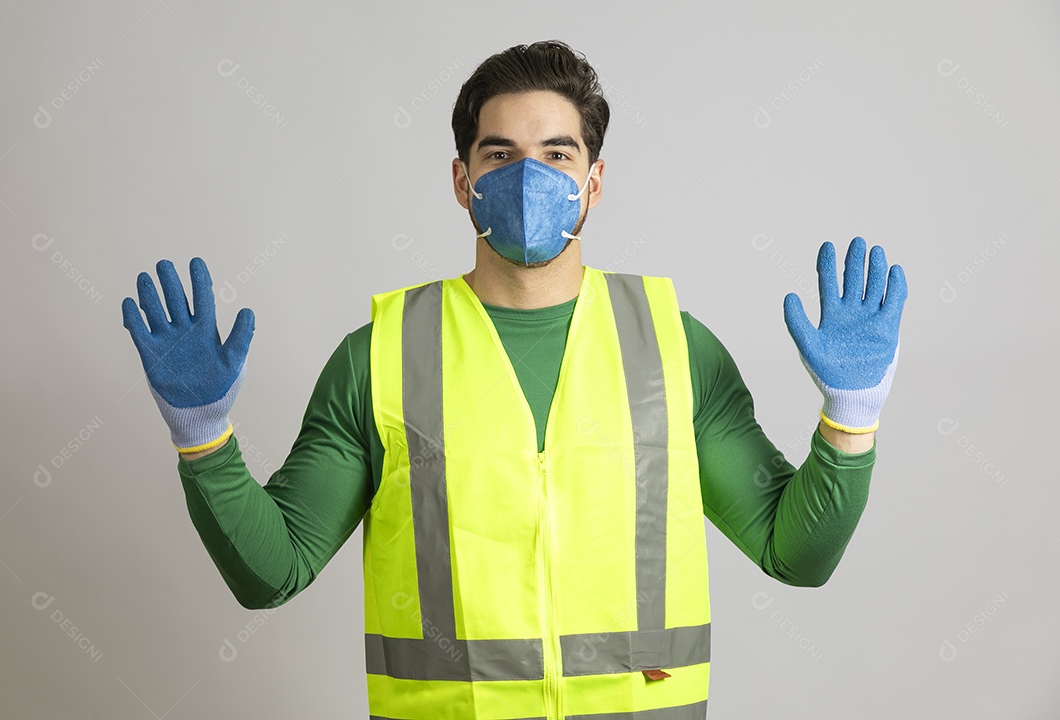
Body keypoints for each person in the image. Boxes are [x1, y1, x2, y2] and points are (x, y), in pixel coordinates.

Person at [122, 40, 906, 720]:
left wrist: (850, 416)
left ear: (593, 182)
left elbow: (794, 554)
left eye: (558, 154)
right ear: (463, 181)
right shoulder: (381, 356)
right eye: (499, 155)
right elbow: (273, 572)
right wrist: (204, 439)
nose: (529, 177)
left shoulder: (674, 345)